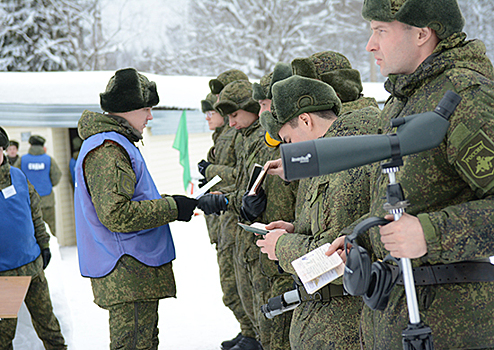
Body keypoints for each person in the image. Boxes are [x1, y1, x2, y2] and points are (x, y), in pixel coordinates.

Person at [325, 1, 494, 349]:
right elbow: (410, 199)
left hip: (453, 330)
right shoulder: (406, 99)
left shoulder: (466, 97)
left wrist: (430, 234)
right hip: (398, 318)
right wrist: (361, 239)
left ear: (422, 34)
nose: (370, 44)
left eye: (380, 30)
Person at [258, 57, 381, 349]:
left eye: (288, 140)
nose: (288, 149)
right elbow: (330, 225)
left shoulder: (342, 162)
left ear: (305, 120)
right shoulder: (327, 156)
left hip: (343, 327)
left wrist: (281, 247)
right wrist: (295, 228)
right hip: (325, 322)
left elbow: (338, 258)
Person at [73, 68, 198, 349]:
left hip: (132, 271)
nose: (150, 116)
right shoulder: (108, 149)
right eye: (146, 108)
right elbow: (116, 214)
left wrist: (177, 203)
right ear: (128, 109)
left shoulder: (115, 143)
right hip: (127, 270)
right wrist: (171, 208)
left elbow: (132, 198)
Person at [198, 79, 298, 350]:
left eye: (234, 115)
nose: (230, 122)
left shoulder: (266, 137)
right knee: (249, 303)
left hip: (275, 244)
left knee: (273, 321)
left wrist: (220, 186)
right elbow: (245, 181)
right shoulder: (249, 137)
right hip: (252, 237)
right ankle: (252, 336)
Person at [198, 91, 256, 350]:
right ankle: (249, 331)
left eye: (213, 113)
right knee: (234, 290)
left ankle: (253, 335)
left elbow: (241, 179)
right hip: (225, 221)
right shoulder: (228, 135)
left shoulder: (243, 136)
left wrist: (211, 171)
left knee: (240, 288)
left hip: (236, 220)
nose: (212, 118)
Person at [0, 126, 66, 350]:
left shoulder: (18, 175)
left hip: (33, 267)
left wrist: (44, 245)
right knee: (3, 336)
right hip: (5, 275)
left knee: (50, 329)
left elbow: (35, 214)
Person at [15, 135, 62, 236]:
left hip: (29, 202)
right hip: (47, 201)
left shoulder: (23, 160)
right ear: (42, 146)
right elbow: (56, 177)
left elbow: (15, 177)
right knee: (50, 229)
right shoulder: (49, 160)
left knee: (32, 231)